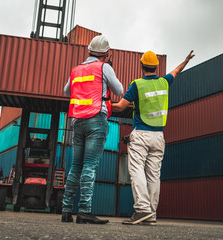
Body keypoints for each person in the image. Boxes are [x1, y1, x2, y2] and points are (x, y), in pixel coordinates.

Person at [112, 50, 195, 225]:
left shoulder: (137, 84)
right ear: (156, 67)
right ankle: (151, 214)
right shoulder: (164, 82)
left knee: (136, 170)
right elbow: (176, 71)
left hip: (141, 134)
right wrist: (185, 60)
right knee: (153, 175)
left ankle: (142, 209)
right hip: (159, 136)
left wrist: (100, 104)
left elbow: (119, 107)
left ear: (141, 66)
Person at [61, 35, 123, 224]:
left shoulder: (76, 70)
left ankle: (65, 211)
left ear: (89, 51)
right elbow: (119, 90)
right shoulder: (104, 67)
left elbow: (66, 91)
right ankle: (84, 211)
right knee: (90, 165)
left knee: (75, 166)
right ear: (106, 53)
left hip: (77, 121)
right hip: (96, 120)